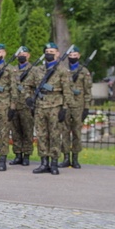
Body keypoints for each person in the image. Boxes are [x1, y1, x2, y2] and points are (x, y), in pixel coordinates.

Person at [32, 43, 72, 175]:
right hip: (40, 106)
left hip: (55, 106)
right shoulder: (38, 70)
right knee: (41, 135)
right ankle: (44, 162)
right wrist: (29, 98)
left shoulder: (62, 70)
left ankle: (54, 163)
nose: (49, 53)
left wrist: (65, 108)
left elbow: (67, 91)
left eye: (52, 51)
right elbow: (28, 86)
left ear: (58, 53)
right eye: (47, 51)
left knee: (54, 135)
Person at [57, 45, 92, 169]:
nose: (72, 58)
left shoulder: (84, 71)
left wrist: (86, 107)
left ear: (79, 56)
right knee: (65, 131)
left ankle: (75, 158)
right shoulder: (63, 70)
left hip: (78, 106)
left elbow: (88, 91)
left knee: (76, 132)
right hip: (66, 105)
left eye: (75, 56)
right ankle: (66, 157)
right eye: (70, 56)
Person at [9, 46, 38, 166]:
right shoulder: (11, 70)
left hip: (26, 105)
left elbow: (37, 88)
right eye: (20, 54)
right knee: (15, 131)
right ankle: (17, 154)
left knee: (27, 131)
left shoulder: (34, 70)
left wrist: (33, 103)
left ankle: (26, 155)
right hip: (13, 104)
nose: (22, 55)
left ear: (28, 55)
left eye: (24, 54)